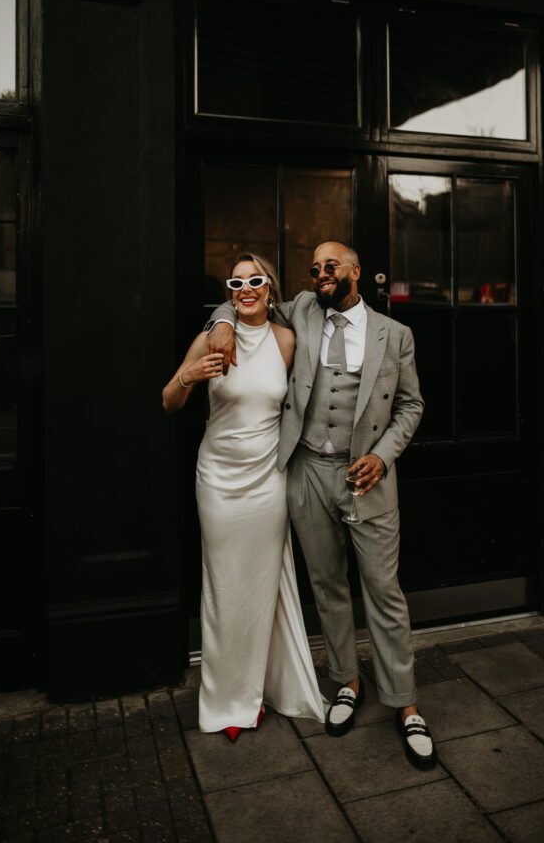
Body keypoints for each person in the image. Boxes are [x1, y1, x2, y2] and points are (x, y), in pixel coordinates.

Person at [206, 241, 435, 768]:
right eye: (314, 269)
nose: (320, 274)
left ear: (356, 270)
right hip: (306, 470)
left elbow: (411, 404)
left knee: (383, 590)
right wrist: (217, 323)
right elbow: (246, 298)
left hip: (366, 477)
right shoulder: (304, 308)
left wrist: (382, 455)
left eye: (330, 266)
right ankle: (347, 683)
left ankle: (405, 704)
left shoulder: (394, 335)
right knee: (328, 587)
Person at [163, 253, 325, 742]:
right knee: (223, 588)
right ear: (230, 292)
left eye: (256, 280)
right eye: (237, 283)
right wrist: (190, 376)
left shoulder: (287, 341)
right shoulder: (209, 335)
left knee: (260, 588)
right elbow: (169, 399)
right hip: (218, 477)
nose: (246, 288)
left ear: (269, 288)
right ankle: (224, 702)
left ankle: (252, 696)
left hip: (268, 478)